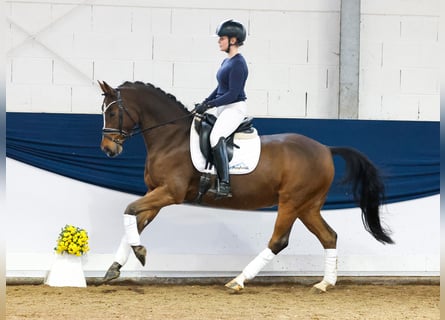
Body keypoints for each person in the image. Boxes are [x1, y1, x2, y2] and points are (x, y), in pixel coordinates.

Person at [195, 19, 249, 199]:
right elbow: (220, 89)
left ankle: (224, 184)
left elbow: (233, 93)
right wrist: (205, 102)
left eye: (222, 38)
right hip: (223, 108)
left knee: (216, 136)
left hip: (234, 108)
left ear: (233, 40)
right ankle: (207, 174)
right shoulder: (226, 61)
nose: (219, 41)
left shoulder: (238, 64)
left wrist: (210, 105)